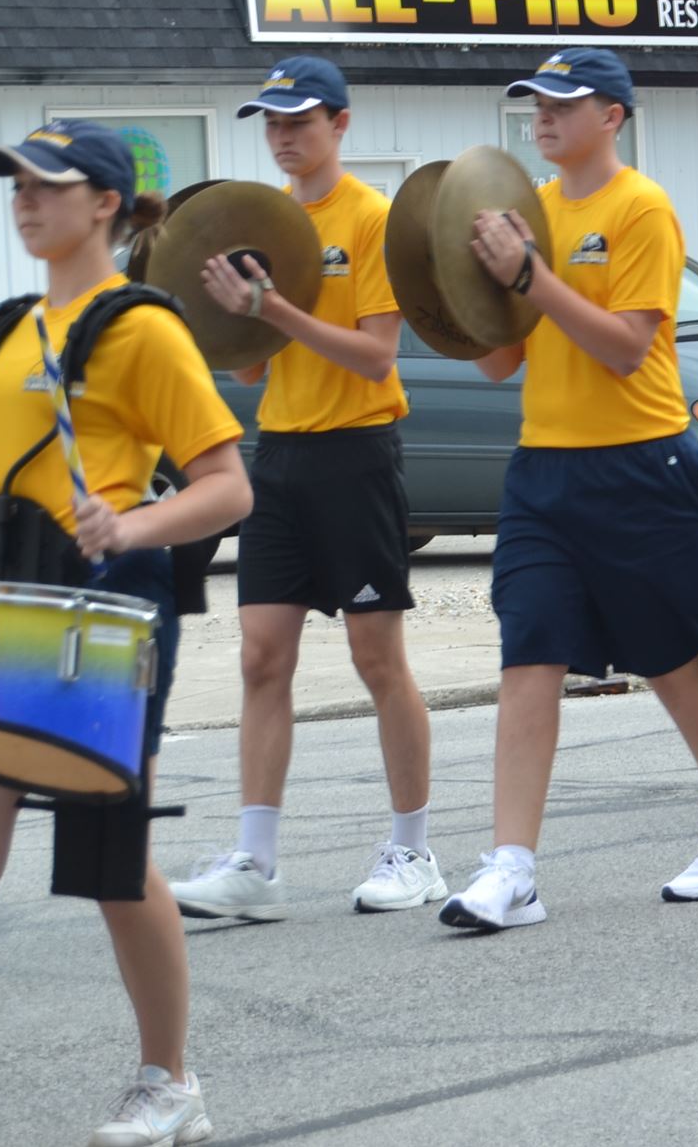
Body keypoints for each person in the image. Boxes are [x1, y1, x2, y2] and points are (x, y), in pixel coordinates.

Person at [0, 120, 252, 1147]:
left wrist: (128, 521)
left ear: (104, 200)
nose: (24, 199)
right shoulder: (9, 328)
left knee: (108, 854)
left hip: (97, 610)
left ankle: (170, 1077)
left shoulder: (143, 329)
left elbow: (228, 485)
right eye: (13, 183)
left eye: (46, 184)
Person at [441, 47, 698, 930]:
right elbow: (496, 362)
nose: (543, 117)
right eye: (535, 103)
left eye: (564, 102)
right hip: (542, 468)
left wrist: (531, 276)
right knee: (528, 656)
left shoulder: (641, 206)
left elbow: (627, 345)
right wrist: (463, 288)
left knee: (672, 659)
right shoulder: (531, 210)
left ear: (613, 115)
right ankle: (511, 866)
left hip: (638, 461)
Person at [168, 57, 442, 925]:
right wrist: (219, 311)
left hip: (358, 453)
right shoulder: (265, 219)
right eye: (273, 123)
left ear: (341, 124)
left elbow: (376, 354)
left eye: (301, 120)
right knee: (260, 657)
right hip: (279, 455)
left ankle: (414, 848)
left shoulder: (369, 218)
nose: (285, 136)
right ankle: (255, 859)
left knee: (376, 659)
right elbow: (251, 361)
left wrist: (275, 304)